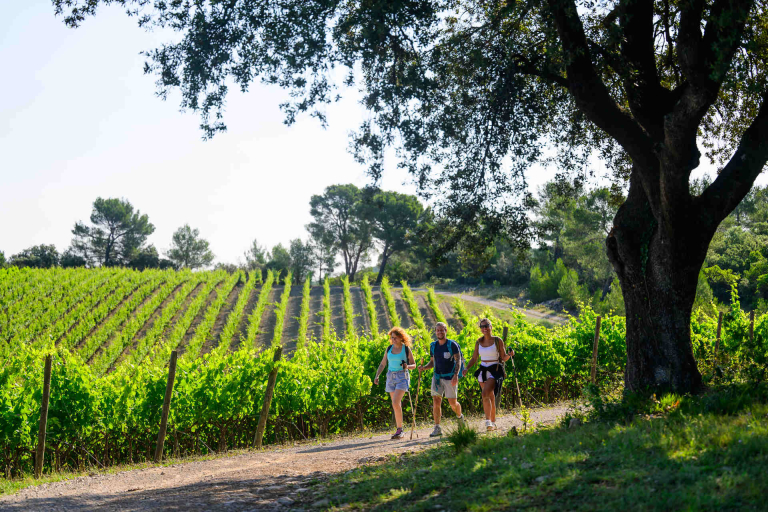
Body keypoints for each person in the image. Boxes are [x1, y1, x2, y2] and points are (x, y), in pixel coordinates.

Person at [465, 318, 514, 431]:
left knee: (485, 393)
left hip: (495, 370)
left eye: (486, 326)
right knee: (490, 397)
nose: (484, 328)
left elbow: (503, 357)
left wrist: (510, 355)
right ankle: (492, 422)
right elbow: (474, 358)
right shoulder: (479, 342)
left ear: (491, 327)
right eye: (482, 326)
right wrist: (467, 368)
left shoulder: (497, 340)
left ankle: (487, 422)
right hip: (483, 370)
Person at [418, 322, 466, 437]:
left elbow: (458, 360)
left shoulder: (452, 345)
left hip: (450, 377)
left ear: (446, 331)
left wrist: (456, 376)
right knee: (436, 401)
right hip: (437, 378)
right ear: (435, 332)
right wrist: (424, 368)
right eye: (438, 330)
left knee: (453, 403)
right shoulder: (433, 346)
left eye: (442, 330)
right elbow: (432, 362)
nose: (440, 332)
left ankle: (460, 417)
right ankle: (437, 427)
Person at [374, 327, 417, 439]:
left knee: (395, 402)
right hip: (390, 376)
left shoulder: (406, 349)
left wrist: (407, 366)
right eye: (392, 338)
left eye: (395, 338)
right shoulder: (389, 349)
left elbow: (414, 365)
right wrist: (377, 375)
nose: (393, 340)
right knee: (396, 404)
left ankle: (400, 430)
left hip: (402, 376)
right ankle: (399, 429)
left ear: (401, 337)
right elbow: (383, 363)